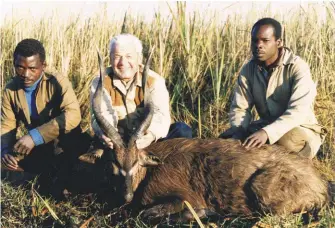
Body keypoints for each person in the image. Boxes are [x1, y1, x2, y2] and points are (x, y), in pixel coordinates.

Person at [220, 18, 326, 159]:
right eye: (255, 40)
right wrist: (239, 131)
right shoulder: (248, 70)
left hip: (301, 128)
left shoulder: (297, 67)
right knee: (224, 142)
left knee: (286, 142)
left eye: (265, 40)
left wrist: (267, 133)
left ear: (278, 42)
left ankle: (302, 164)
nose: (259, 45)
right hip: (265, 125)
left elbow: (298, 111)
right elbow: (240, 108)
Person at [1, 38, 88, 196]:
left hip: (63, 142)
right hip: (39, 147)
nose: (26, 74)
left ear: (43, 66)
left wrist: (35, 136)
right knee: (8, 164)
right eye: (20, 67)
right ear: (14, 64)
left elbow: (73, 115)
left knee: (63, 168)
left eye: (32, 68)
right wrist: (5, 151)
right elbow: (7, 125)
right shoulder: (10, 89)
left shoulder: (57, 81)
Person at [90, 34, 192, 150]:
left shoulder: (154, 81)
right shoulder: (100, 81)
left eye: (129, 56)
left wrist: (150, 136)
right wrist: (108, 135)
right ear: (111, 59)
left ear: (139, 58)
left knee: (182, 130)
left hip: (147, 140)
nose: (123, 62)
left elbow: (160, 114)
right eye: (117, 56)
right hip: (117, 142)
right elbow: (101, 113)